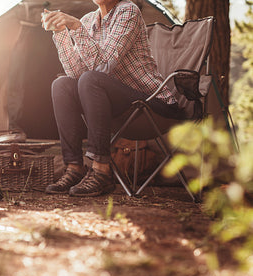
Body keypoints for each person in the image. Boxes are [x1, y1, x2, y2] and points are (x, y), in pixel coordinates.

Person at [42, 0, 183, 197]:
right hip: (118, 105)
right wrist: (61, 34)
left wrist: (76, 27)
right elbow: (76, 72)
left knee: (92, 79)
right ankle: (74, 168)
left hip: (151, 105)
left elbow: (103, 66)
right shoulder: (89, 20)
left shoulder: (128, 11)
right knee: (62, 84)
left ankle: (101, 171)